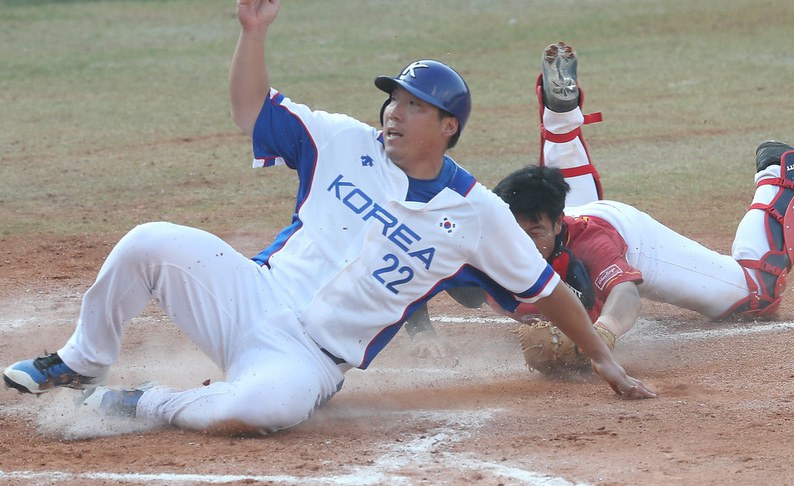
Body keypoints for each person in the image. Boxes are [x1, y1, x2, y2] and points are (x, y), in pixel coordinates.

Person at [2, 5, 654, 435]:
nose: (395, 112)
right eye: (393, 99)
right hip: (249, 293)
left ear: (447, 126)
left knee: (259, 410)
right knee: (149, 241)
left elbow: (544, 293)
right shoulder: (342, 140)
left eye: (414, 106)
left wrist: (604, 361)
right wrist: (252, 35)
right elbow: (250, 112)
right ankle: (82, 361)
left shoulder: (477, 213)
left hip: (306, 359)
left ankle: (141, 401)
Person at [411, 41, 794, 353]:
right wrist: (422, 334)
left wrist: (604, 333)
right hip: (569, 215)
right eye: (514, 232)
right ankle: (561, 120)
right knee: (481, 277)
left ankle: (781, 171)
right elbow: (419, 260)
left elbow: (624, 294)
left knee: (758, 295)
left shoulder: (590, 243)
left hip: (632, 237)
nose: (522, 244)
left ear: (558, 226)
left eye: (534, 234)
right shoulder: (485, 238)